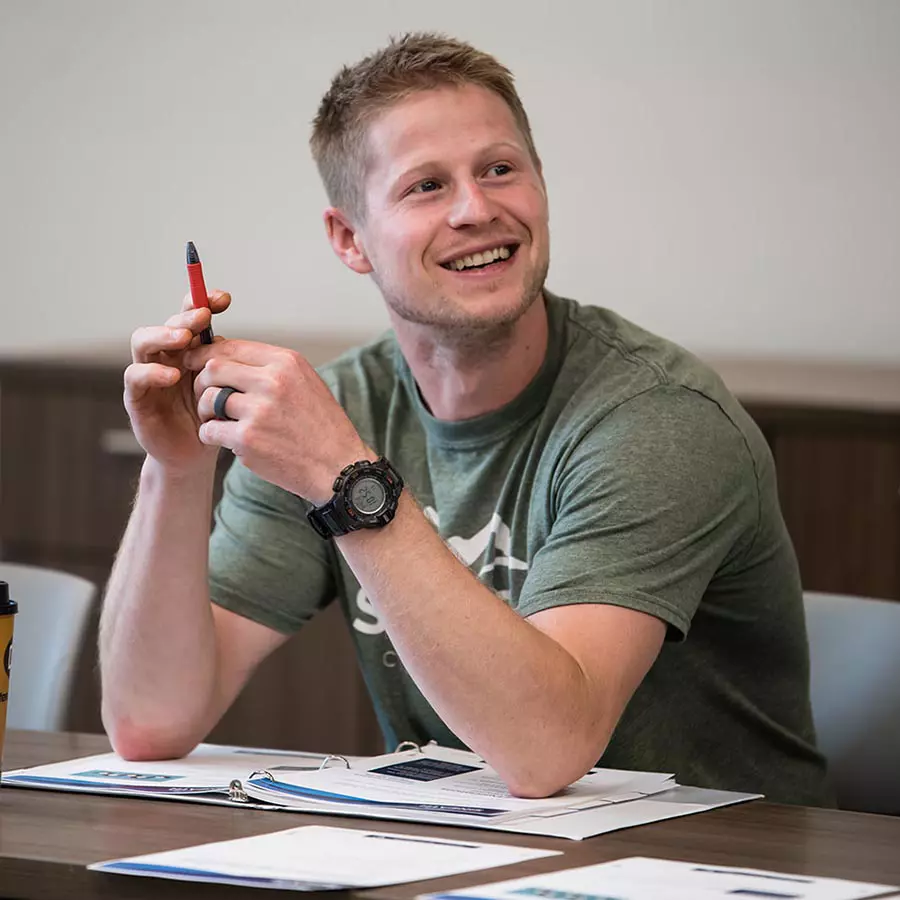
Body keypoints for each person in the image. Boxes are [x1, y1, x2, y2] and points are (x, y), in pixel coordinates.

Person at [99, 32, 830, 804]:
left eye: (500, 170)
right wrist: (175, 470)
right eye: (426, 187)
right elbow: (151, 723)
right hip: (471, 855)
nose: (477, 210)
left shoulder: (658, 420)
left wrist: (346, 481)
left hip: (716, 867)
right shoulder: (339, 411)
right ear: (350, 239)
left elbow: (548, 750)